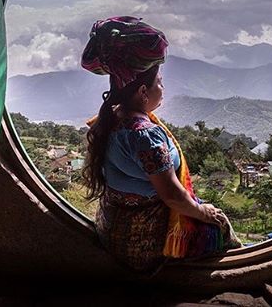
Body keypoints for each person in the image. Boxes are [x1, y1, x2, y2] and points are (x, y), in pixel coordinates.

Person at [80, 16, 241, 273]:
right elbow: (173, 196)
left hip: (112, 230)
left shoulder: (112, 117)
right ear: (143, 92)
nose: (163, 88)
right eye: (159, 82)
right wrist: (205, 212)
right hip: (140, 244)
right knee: (219, 225)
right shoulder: (146, 137)